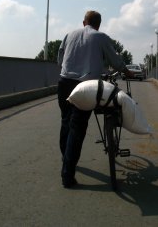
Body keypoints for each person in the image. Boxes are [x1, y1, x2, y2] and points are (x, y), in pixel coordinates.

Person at [57, 10, 134, 188]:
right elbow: (115, 61)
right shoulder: (101, 37)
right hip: (86, 86)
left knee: (66, 121)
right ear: (98, 24)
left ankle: (65, 158)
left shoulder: (69, 34)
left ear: (84, 22)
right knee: (77, 128)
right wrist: (126, 71)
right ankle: (67, 175)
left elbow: (60, 59)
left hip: (65, 82)